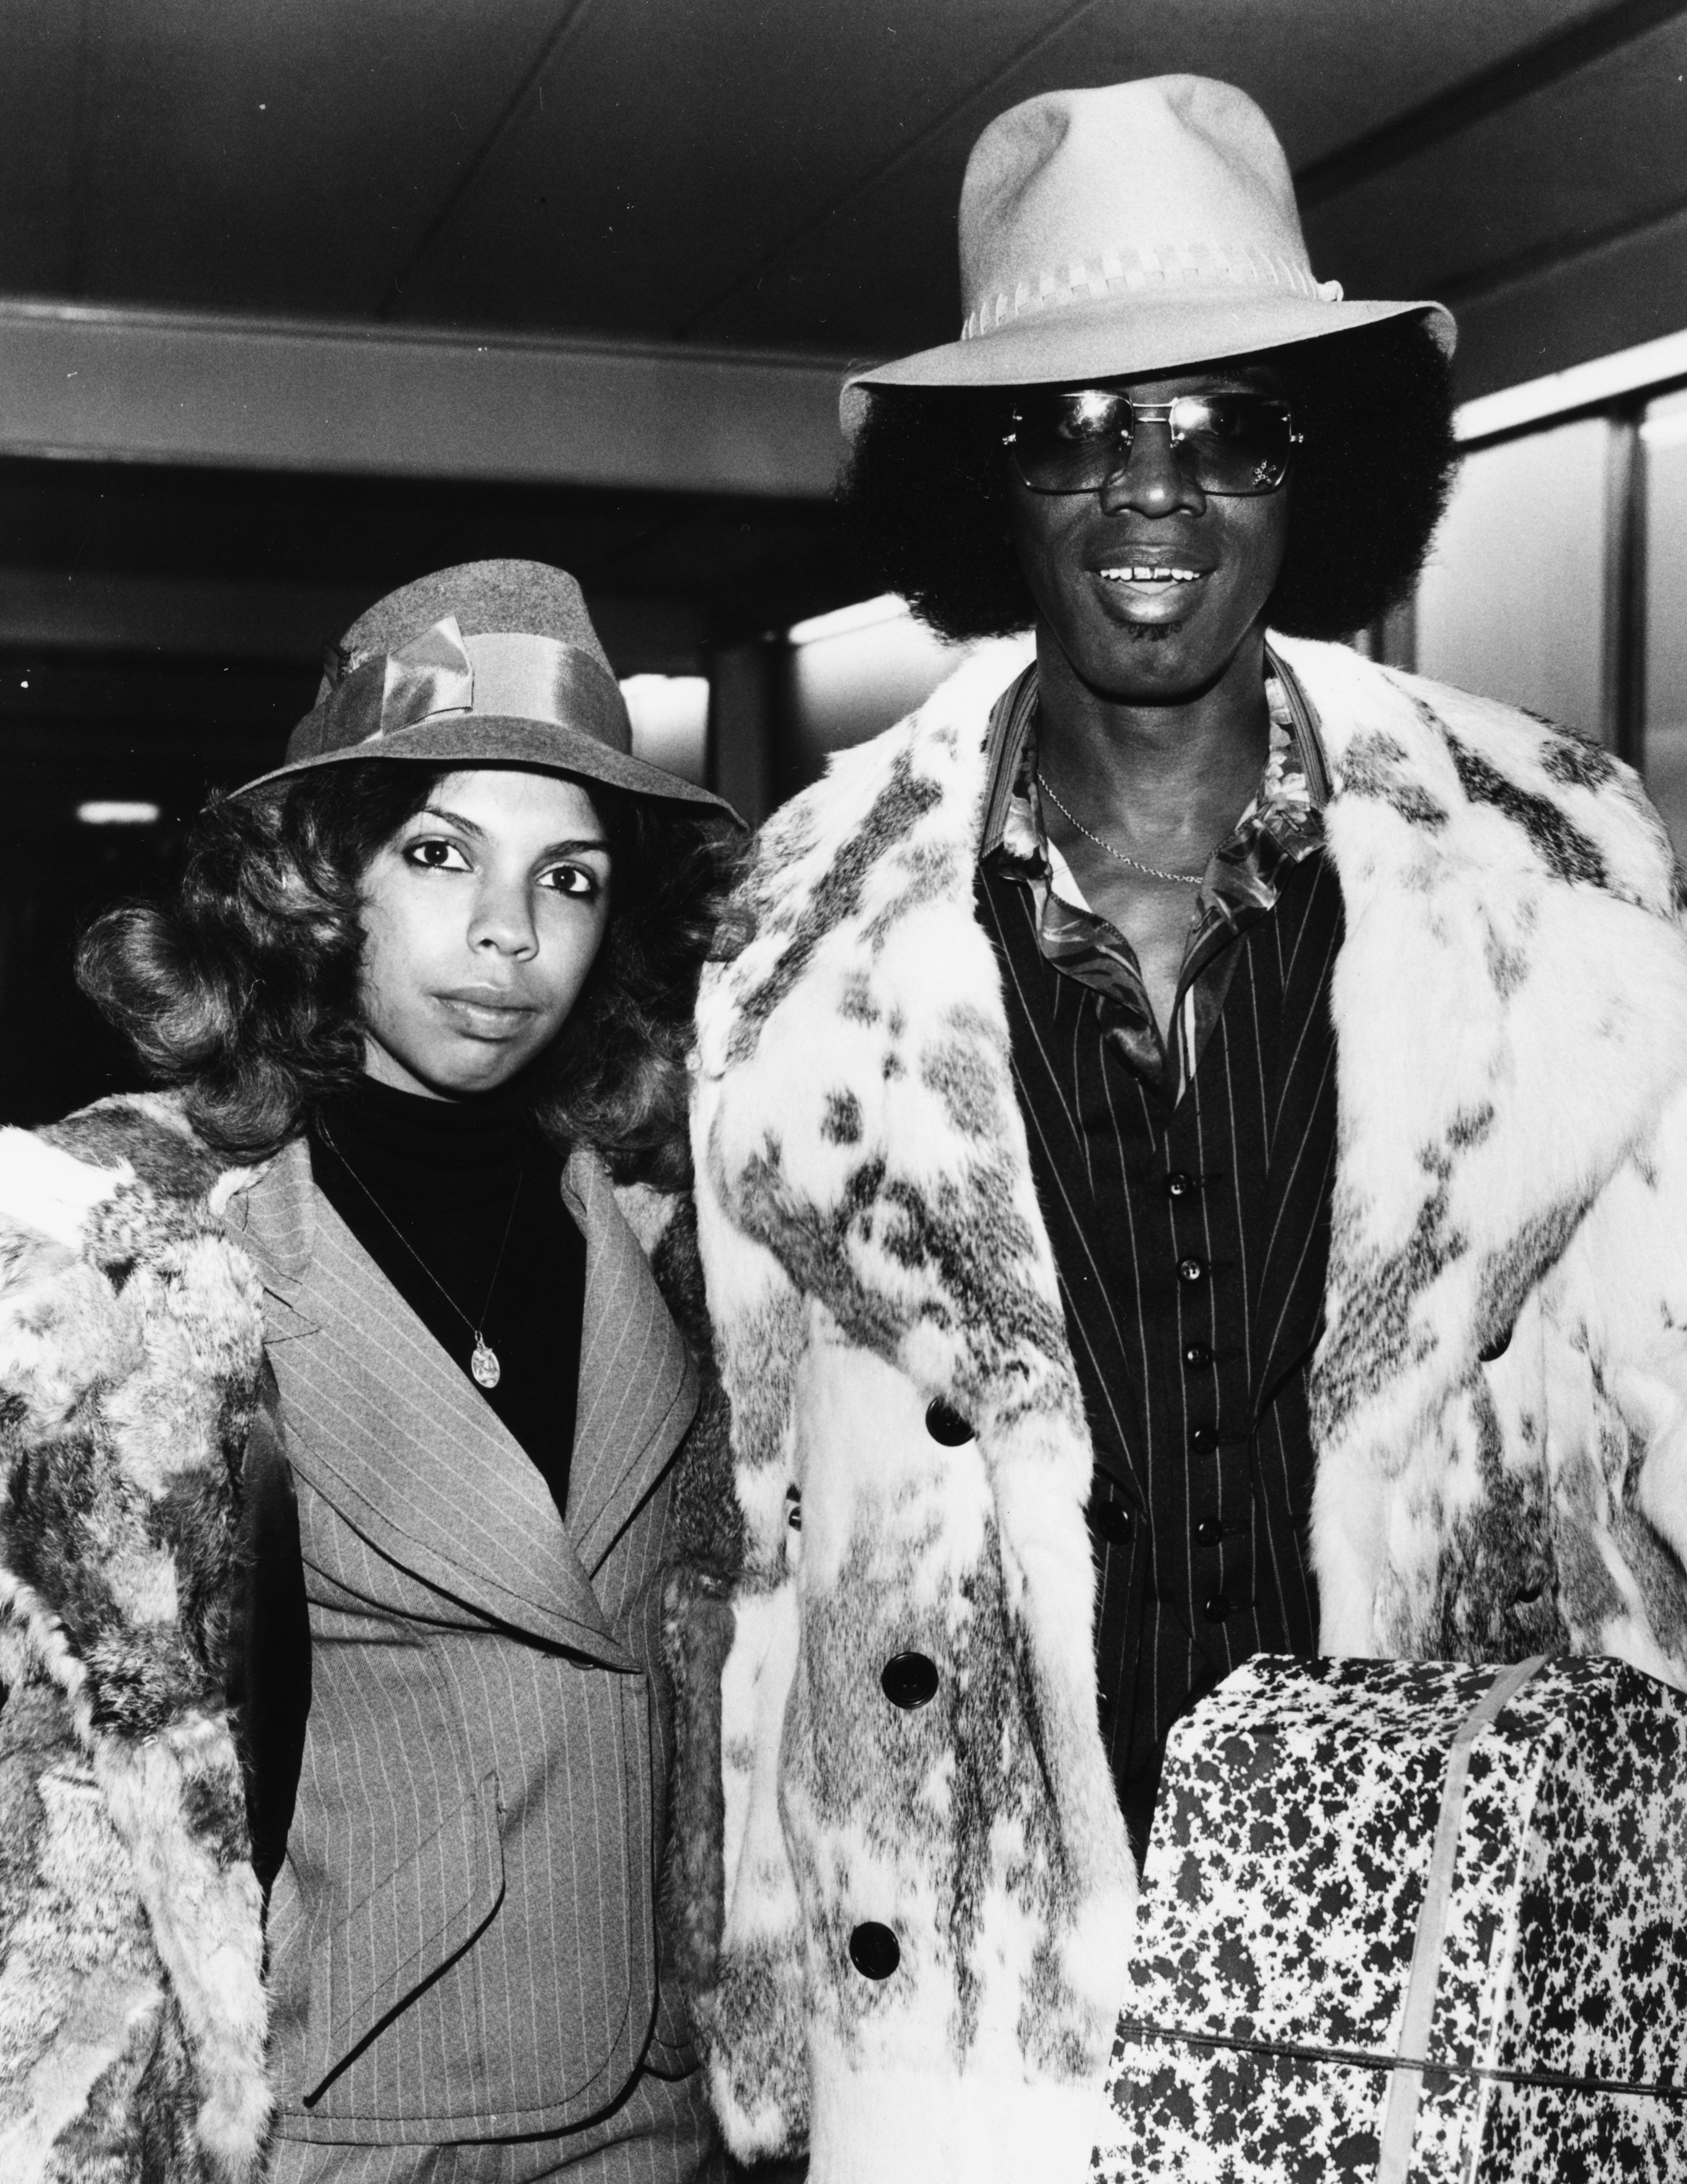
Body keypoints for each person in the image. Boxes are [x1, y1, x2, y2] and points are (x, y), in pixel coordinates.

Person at [664, 74, 1687, 2184]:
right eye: (1072, 432)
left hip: (1439, 1969)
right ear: (988, 486)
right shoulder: (796, 932)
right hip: (976, 1969)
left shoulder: (1557, 880)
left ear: (1313, 468)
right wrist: (760, 2008)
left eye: (1222, 424)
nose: (1154, 494)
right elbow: (762, 1531)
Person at [0, 561, 743, 2183]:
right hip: (337, 2121)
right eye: (439, 856)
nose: (508, 935)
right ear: (314, 883)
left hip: (656, 2114)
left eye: (573, 879)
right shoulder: (143, 1261)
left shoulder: (670, 1235)